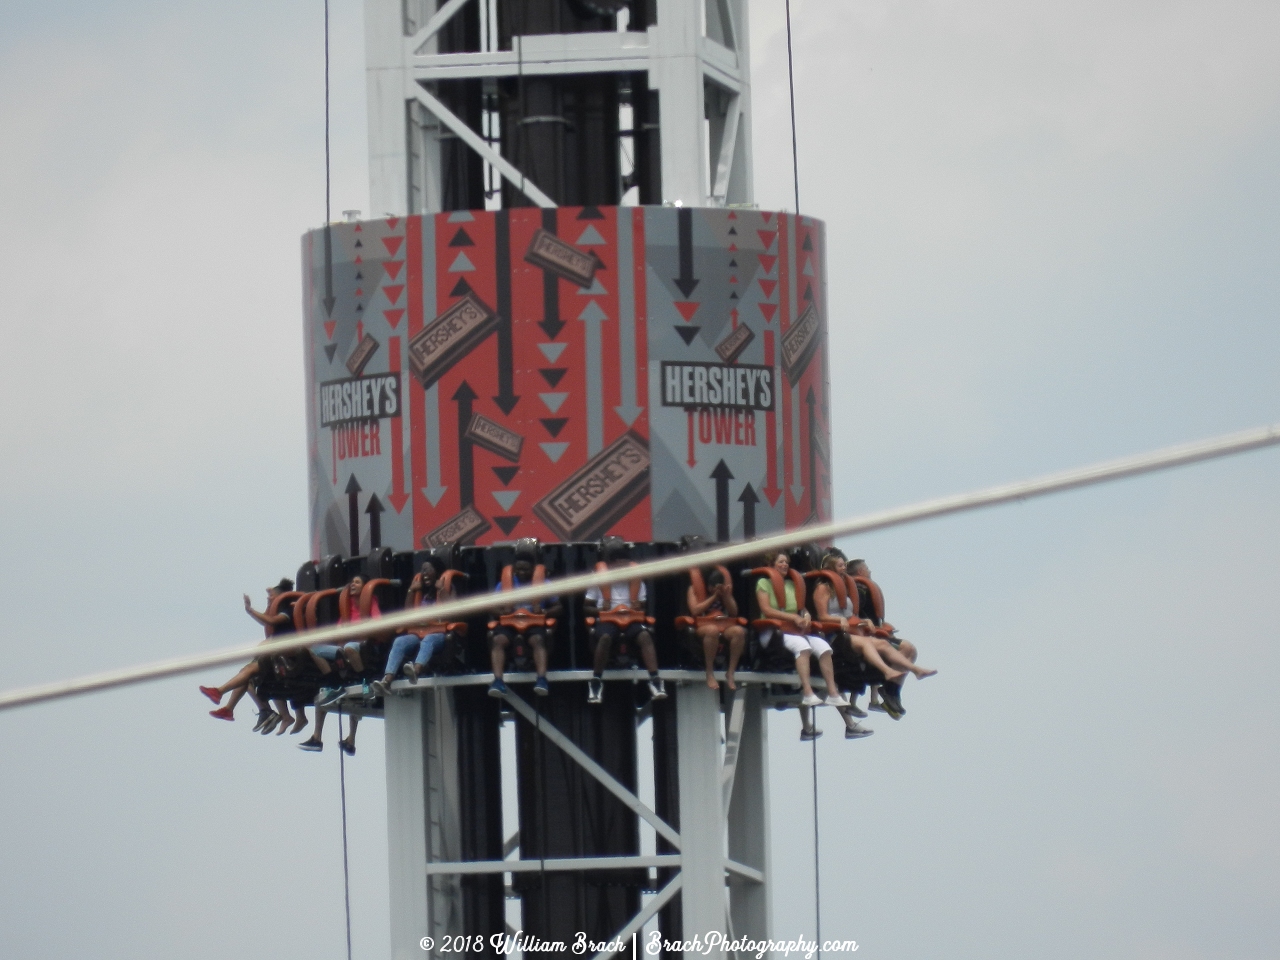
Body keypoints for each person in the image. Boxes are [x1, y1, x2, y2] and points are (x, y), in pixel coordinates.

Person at [755, 550, 850, 733]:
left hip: (794, 629)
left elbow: (802, 607)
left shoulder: (791, 585)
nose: (784, 565)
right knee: (803, 646)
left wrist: (805, 615)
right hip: (773, 632)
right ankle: (807, 692)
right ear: (772, 564)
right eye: (781, 561)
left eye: (786, 562)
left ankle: (832, 693)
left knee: (823, 647)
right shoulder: (763, 583)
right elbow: (766, 610)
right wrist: (792, 618)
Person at [199, 578, 305, 735]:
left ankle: (220, 692)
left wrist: (250, 610)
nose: (269, 599)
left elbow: (270, 621)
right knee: (246, 676)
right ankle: (233, 709)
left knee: (248, 671)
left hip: (286, 659)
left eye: (272, 596)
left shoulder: (288, 610)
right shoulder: (279, 609)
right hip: (276, 656)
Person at [845, 557, 935, 720]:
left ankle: (892, 692)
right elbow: (856, 615)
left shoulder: (865, 587)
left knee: (910, 649)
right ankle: (890, 691)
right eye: (867, 568)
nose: (870, 571)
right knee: (906, 648)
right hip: (865, 636)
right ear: (860, 572)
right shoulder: (859, 590)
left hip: (876, 633)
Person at [299, 576, 379, 754]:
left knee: (350, 650)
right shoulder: (347, 605)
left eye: (357, 582)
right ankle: (332, 681)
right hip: (343, 646)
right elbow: (338, 630)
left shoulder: (370, 601)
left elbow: (376, 622)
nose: (353, 585)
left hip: (360, 645)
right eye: (352, 582)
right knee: (314, 649)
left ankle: (361, 678)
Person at [583, 542, 665, 705]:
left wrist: (638, 606)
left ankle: (655, 679)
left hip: (630, 619)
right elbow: (586, 607)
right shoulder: (598, 581)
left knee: (645, 636)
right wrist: (600, 611)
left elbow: (643, 605)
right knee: (605, 637)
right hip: (607, 619)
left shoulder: (637, 582)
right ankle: (596, 681)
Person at [371, 560, 455, 697]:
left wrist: (441, 589)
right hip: (418, 631)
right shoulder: (421, 592)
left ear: (437, 572)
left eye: (428, 570)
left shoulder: (447, 587)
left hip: (438, 633)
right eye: (423, 570)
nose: (425, 573)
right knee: (400, 641)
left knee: (428, 640)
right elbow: (408, 612)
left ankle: (415, 670)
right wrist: (411, 590)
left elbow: (453, 610)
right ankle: (387, 680)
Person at [488, 545, 561, 698]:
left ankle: (541, 679)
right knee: (498, 640)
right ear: (514, 569)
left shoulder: (544, 583)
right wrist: (503, 612)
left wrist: (545, 611)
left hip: (533, 623)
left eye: (526, 569)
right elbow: (492, 608)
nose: (522, 573)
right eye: (519, 569)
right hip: (510, 622)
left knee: (538, 640)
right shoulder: (505, 584)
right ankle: (498, 681)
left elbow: (558, 607)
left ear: (533, 569)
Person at [686, 568, 747, 691]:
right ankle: (709, 672)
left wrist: (725, 596)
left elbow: (734, 612)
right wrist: (713, 597)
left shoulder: (724, 591)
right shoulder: (693, 589)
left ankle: (730, 672)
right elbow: (695, 610)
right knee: (712, 630)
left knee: (739, 632)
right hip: (703, 625)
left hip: (723, 624)